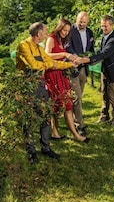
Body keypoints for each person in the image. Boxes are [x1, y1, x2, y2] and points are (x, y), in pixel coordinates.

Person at [16, 22, 79, 162]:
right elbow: (33, 65)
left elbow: (50, 61)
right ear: (39, 34)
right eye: (44, 32)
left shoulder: (39, 48)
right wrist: (50, 64)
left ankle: (45, 148)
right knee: (30, 119)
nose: (46, 34)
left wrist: (69, 64)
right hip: (27, 86)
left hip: (40, 84)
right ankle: (31, 151)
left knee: (45, 115)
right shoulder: (23, 46)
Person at [44, 18, 89, 143]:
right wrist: (64, 54)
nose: (65, 33)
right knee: (57, 104)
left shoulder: (62, 40)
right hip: (52, 75)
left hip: (60, 73)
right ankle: (59, 132)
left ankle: (64, 133)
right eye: (64, 30)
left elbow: (61, 57)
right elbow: (46, 55)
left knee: (66, 103)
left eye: (68, 31)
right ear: (59, 27)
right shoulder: (51, 38)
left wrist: (71, 60)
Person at [84, 15, 114, 127]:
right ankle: (104, 115)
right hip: (105, 69)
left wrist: (89, 60)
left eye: (105, 26)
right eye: (102, 26)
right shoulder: (105, 36)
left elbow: (105, 53)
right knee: (104, 93)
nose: (103, 28)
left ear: (112, 25)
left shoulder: (113, 40)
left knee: (112, 95)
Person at [68, 11, 94, 135]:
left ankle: (73, 119)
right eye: (80, 21)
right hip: (73, 67)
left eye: (84, 22)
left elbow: (90, 48)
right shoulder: (70, 30)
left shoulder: (89, 32)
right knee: (77, 96)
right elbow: (67, 46)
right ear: (76, 19)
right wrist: (75, 57)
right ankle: (80, 125)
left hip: (83, 67)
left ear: (87, 22)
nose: (82, 24)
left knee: (78, 97)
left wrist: (89, 56)